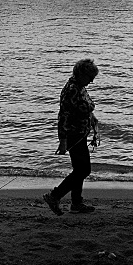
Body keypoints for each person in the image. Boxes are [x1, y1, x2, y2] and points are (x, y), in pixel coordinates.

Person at [42, 58, 99, 215]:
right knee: (83, 170)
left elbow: (83, 107)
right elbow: (64, 116)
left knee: (79, 169)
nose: (92, 81)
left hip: (80, 133)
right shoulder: (72, 89)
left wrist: (91, 117)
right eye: (90, 77)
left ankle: (76, 203)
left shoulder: (79, 86)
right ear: (81, 74)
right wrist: (63, 141)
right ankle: (55, 196)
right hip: (74, 135)